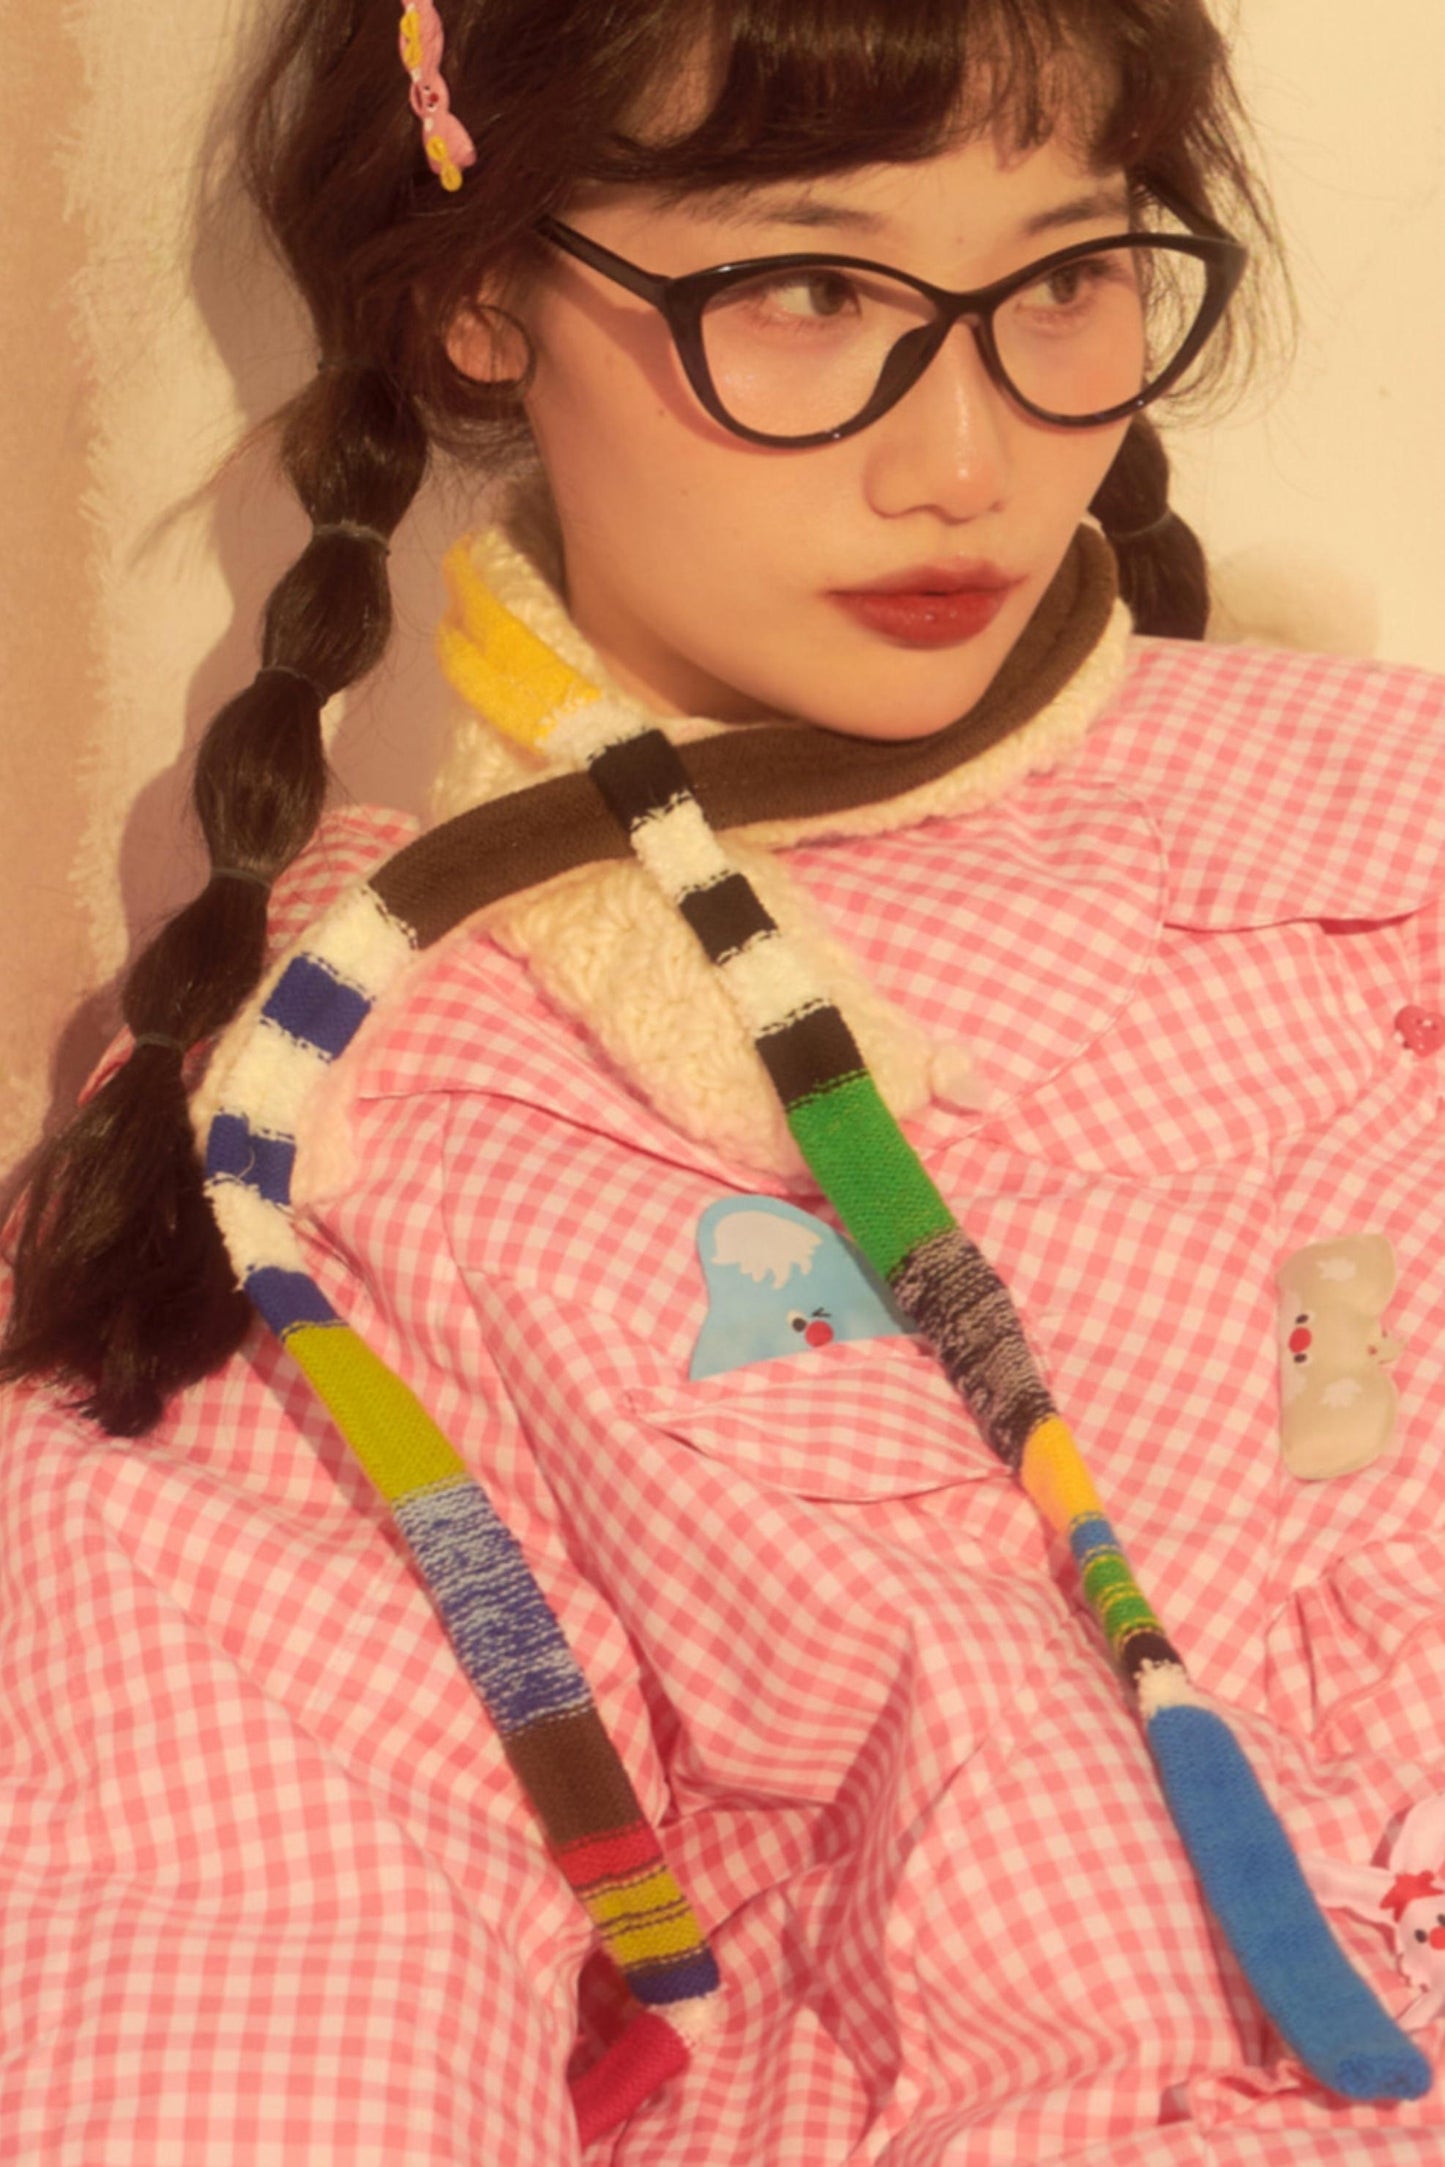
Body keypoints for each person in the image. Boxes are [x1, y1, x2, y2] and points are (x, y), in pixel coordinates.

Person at [3, 0, 1445, 2158]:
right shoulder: (346, 1142)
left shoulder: (1388, 824)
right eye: (807, 289)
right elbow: (241, 1962)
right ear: (483, 291)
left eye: (1065, 276)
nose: (962, 461)